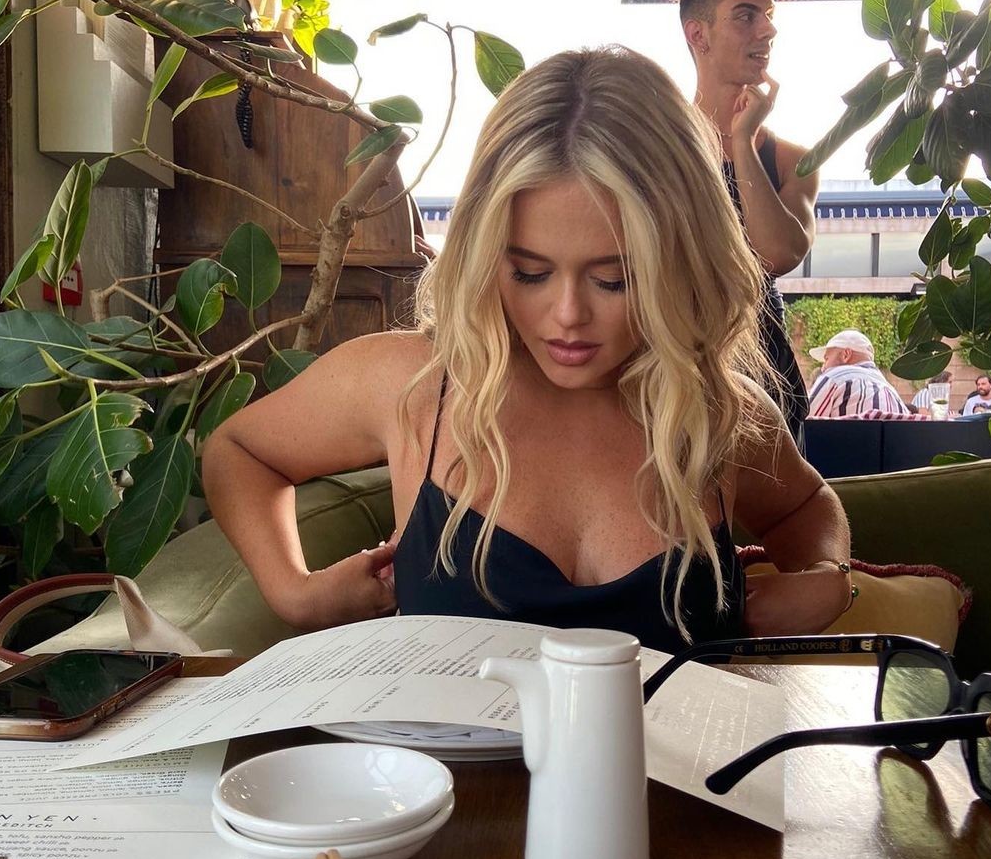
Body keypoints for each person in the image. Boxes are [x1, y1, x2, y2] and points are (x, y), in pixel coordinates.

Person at [203, 47, 851, 654]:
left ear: (680, 260)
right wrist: (296, 592)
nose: (567, 316)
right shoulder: (413, 382)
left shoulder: (716, 413)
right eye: (530, 272)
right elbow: (239, 451)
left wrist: (826, 577)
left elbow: (805, 506)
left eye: (615, 279)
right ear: (486, 254)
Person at [679, 0, 820, 450]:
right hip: (677, 373)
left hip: (767, 375)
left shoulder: (791, 159)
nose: (768, 30)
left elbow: (776, 256)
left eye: (769, 16)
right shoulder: (656, 150)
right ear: (698, 35)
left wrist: (742, 143)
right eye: (745, 16)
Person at [807, 330, 911, 418]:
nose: (823, 367)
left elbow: (802, 425)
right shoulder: (893, 394)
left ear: (845, 355)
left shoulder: (835, 378)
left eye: (826, 359)